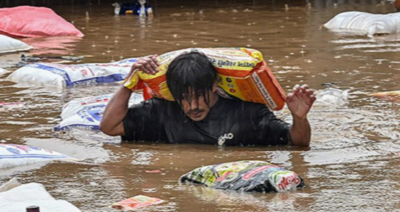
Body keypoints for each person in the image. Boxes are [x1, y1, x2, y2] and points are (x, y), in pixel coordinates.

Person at [100, 51, 315, 147]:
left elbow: (298, 144)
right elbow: (109, 127)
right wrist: (129, 83)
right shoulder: (160, 111)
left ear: (214, 86)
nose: (192, 106)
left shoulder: (247, 114)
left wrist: (299, 119)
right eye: (183, 98)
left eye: (198, 96)